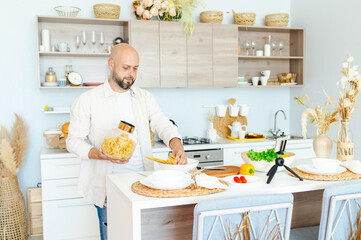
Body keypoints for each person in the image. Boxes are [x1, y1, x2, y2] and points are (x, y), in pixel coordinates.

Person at [66, 43, 187, 240]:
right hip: (107, 189)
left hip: (144, 182)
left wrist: (176, 144)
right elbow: (73, 141)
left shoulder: (144, 98)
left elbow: (162, 124)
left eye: (135, 68)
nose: (130, 74)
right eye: (125, 67)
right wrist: (97, 154)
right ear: (111, 64)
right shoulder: (87, 100)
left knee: (145, 234)